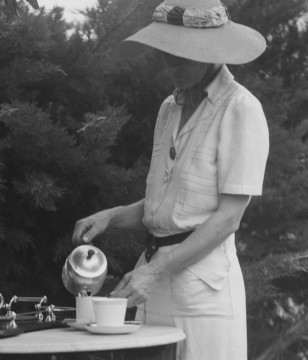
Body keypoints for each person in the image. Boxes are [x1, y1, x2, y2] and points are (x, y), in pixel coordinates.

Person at [72, 1, 269, 359]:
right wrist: (112, 216)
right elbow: (167, 204)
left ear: (211, 52)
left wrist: (155, 272)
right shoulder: (169, 107)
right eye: (165, 52)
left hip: (203, 297)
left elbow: (229, 219)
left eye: (181, 53)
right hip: (152, 286)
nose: (170, 64)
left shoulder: (241, 108)